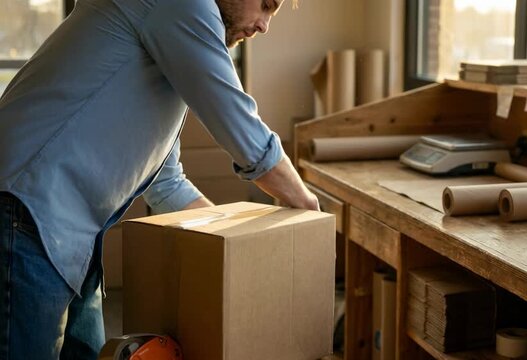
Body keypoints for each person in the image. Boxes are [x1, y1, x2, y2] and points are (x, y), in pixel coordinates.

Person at [0, 0, 319, 358]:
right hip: (25, 212)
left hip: (66, 235)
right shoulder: (182, 5)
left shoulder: (168, 38)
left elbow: (167, 182)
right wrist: (308, 207)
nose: (263, 26)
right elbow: (245, 133)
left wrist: (230, 246)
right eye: (265, 5)